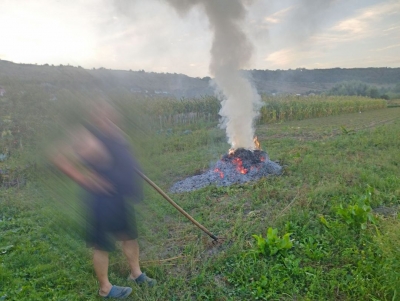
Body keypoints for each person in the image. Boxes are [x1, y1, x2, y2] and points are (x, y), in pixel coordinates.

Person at [49, 100, 155, 299]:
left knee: (129, 236)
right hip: (100, 199)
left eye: (108, 112)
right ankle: (105, 288)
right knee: (102, 244)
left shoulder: (114, 132)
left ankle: (136, 274)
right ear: (92, 115)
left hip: (119, 196)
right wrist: (83, 178)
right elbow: (58, 156)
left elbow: (122, 158)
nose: (105, 116)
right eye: (99, 112)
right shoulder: (84, 135)